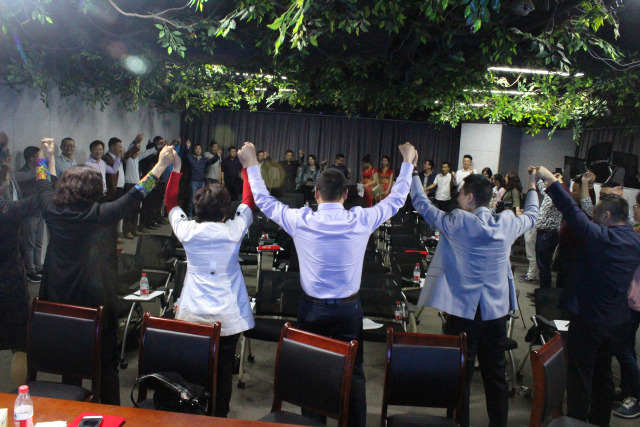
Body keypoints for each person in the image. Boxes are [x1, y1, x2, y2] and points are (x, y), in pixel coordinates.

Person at [240, 141, 416, 427]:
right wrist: (407, 164)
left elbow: (264, 200)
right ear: (346, 195)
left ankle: (314, 424)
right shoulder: (361, 219)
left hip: (312, 309)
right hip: (348, 309)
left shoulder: (301, 219)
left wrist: (251, 165)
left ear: (316, 193)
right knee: (354, 372)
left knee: (312, 371)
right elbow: (395, 200)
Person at [37, 139, 174, 405]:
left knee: (70, 360)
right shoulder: (100, 213)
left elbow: (43, 182)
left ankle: (71, 407)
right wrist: (160, 165)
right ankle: (111, 410)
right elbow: (137, 194)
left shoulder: (51, 210)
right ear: (94, 189)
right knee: (106, 363)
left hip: (59, 296)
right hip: (95, 297)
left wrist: (46, 156)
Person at [412, 169, 538, 427]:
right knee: (496, 377)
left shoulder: (458, 221)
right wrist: (533, 185)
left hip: (463, 314)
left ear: (470, 198)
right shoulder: (507, 223)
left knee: (460, 378)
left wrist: (412, 171)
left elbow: (421, 203)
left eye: (460, 193)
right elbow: (533, 214)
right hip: (496, 315)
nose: (457, 197)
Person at [534, 166, 640, 426]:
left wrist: (550, 180)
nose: (592, 219)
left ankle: (578, 421)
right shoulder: (635, 240)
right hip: (617, 322)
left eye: (596, 215)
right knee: (603, 375)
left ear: (607, 215)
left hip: (589, 320)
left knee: (580, 377)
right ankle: (599, 421)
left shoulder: (600, 237)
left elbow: (572, 211)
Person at [164, 148, 255, 417]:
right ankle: (219, 416)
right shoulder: (233, 230)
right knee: (223, 370)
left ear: (197, 208)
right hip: (227, 316)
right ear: (225, 211)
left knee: (195, 369)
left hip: (193, 314)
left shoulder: (187, 231)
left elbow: (170, 202)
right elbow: (249, 201)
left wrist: (176, 169)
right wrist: (248, 167)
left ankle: (195, 412)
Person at [0, 163, 38, 389]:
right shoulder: (7, 210)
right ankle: (19, 398)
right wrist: (44, 163)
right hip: (9, 282)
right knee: (19, 344)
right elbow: (42, 194)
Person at [16, 146, 44, 282]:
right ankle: (30, 271)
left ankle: (38, 267)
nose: (39, 159)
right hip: (29, 212)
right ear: (30, 158)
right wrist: (43, 164)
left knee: (39, 242)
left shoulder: (38, 170)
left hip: (40, 211)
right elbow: (36, 175)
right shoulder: (22, 173)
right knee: (29, 244)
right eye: (37, 156)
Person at [123, 134, 157, 238]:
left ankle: (134, 229)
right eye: (135, 150)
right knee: (129, 210)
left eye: (138, 151)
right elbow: (132, 146)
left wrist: (158, 147)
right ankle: (127, 231)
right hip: (129, 186)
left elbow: (147, 153)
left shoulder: (137, 159)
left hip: (138, 185)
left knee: (136, 209)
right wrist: (136, 141)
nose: (137, 153)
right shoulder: (128, 159)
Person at [183, 140, 219, 219]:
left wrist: (217, 155)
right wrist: (187, 147)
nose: (198, 150)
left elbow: (212, 161)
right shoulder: (191, 158)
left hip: (201, 182)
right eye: (196, 148)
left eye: (199, 149)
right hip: (193, 182)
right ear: (194, 150)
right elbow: (187, 156)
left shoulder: (204, 160)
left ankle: (198, 216)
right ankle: (189, 216)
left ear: (201, 150)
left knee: (200, 200)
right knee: (192, 200)